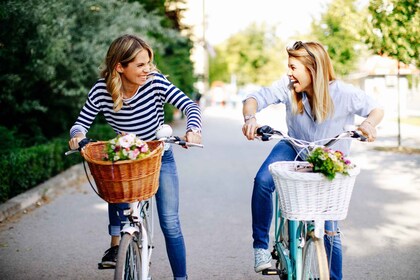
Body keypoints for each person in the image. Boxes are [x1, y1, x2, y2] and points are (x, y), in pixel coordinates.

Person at [242, 41, 384, 280]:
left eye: (293, 67)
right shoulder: (288, 88)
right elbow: (254, 98)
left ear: (312, 69)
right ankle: (260, 249)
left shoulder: (344, 93)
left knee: (330, 230)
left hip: (329, 157)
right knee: (263, 180)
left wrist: (368, 124)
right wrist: (250, 118)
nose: (289, 73)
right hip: (294, 146)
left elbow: (376, 109)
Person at [68, 34, 202, 280]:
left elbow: (189, 106)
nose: (147, 70)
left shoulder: (155, 82)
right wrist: (77, 137)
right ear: (120, 67)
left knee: (170, 223)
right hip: (127, 158)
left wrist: (193, 129)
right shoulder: (102, 90)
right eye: (140, 65)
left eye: (148, 63)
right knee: (113, 176)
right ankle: (117, 244)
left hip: (159, 157)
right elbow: (80, 124)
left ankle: (180, 278)